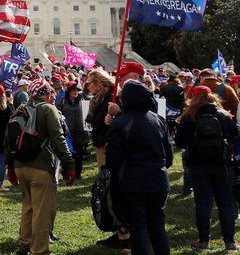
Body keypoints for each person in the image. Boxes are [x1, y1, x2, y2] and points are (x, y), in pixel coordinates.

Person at [7, 79, 75, 255]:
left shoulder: (20, 109)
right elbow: (58, 138)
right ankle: (40, 251)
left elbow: (7, 140)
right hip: (41, 167)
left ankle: (24, 244)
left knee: (28, 206)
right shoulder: (48, 109)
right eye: (50, 92)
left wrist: (11, 167)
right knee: (42, 212)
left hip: (20, 166)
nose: (52, 95)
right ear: (46, 93)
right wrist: (69, 163)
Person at [106, 80, 173, 255]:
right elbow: (169, 155)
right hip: (158, 179)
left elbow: (113, 158)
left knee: (139, 226)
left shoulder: (121, 123)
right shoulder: (158, 120)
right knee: (157, 225)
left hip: (133, 182)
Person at [175, 85, 239, 251]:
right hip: (223, 166)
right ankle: (230, 242)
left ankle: (204, 241)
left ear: (193, 98)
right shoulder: (224, 116)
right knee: (226, 203)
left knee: (203, 203)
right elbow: (234, 136)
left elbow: (180, 142)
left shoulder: (189, 117)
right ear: (212, 97)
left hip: (198, 166)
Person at [85, 69, 116, 167]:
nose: (88, 86)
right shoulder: (97, 99)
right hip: (100, 142)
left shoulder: (111, 99)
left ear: (98, 83)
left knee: (107, 177)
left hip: (108, 144)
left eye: (89, 83)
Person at [59, 82, 89, 178]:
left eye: (77, 90)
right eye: (73, 90)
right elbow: (59, 115)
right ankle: (66, 173)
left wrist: (88, 131)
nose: (75, 92)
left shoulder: (83, 100)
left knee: (79, 155)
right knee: (68, 154)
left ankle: (78, 173)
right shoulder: (63, 101)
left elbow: (87, 116)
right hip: (68, 134)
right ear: (69, 92)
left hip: (81, 133)